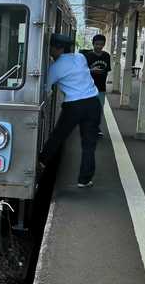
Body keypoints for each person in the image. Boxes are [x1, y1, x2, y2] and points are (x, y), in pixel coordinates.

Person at [39, 34, 101, 188]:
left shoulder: (55, 67)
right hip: (93, 102)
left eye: (51, 48)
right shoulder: (80, 57)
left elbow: (45, 89)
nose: (50, 51)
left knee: (58, 136)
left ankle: (40, 163)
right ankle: (84, 180)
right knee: (89, 144)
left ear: (58, 48)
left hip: (74, 106)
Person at [81, 34, 111, 138]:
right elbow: (81, 71)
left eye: (101, 44)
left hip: (101, 88)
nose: (99, 46)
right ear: (93, 44)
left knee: (99, 110)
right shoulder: (87, 56)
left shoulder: (106, 56)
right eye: (97, 44)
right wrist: (91, 70)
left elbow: (107, 71)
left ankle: (95, 128)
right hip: (88, 88)